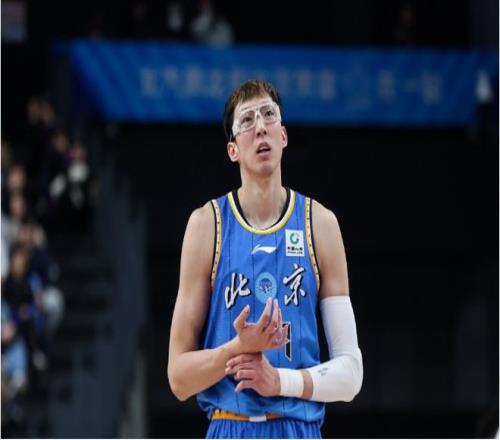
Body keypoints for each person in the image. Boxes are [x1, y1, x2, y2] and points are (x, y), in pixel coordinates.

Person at [168, 79, 363, 439]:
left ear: (283, 136)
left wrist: (280, 381)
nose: (260, 127)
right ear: (232, 150)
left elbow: (351, 375)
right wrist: (237, 349)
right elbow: (178, 378)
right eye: (247, 120)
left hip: (298, 427)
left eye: (269, 115)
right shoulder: (206, 225)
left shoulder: (320, 224)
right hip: (230, 425)